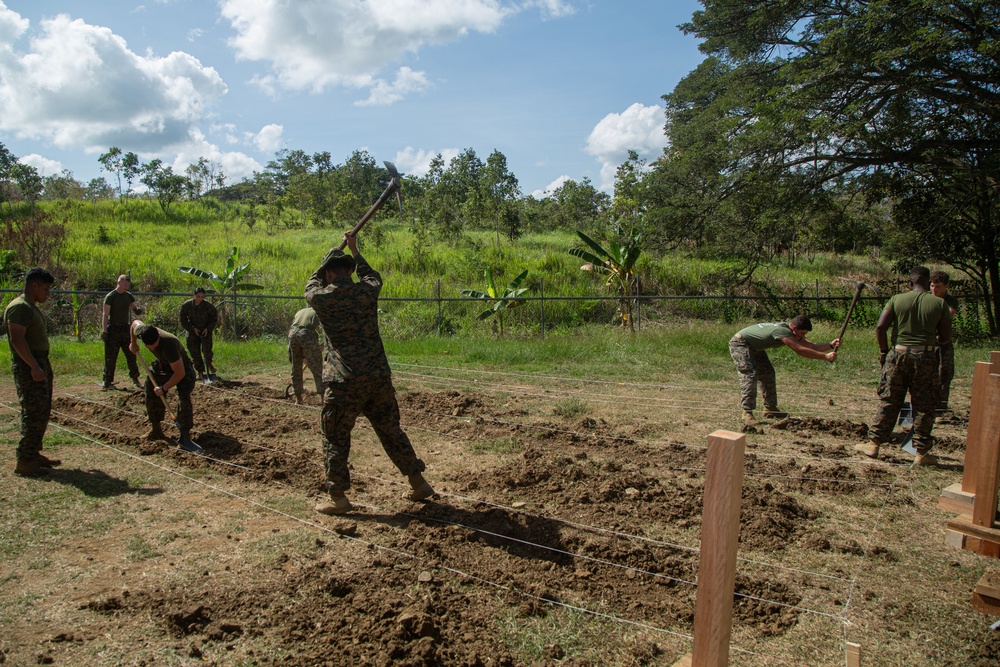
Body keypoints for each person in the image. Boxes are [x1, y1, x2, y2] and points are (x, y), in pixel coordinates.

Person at [306, 232, 434, 515]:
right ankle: (418, 482)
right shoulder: (366, 292)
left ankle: (337, 498)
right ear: (350, 271)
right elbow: (373, 277)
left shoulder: (322, 298)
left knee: (335, 438)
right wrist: (355, 250)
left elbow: (310, 285)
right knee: (391, 431)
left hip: (343, 382)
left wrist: (325, 260)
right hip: (377, 378)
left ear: (328, 273)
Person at [855, 266, 951, 466]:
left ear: (910, 283)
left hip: (898, 354)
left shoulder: (896, 300)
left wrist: (884, 351)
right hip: (925, 356)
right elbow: (945, 337)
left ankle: (874, 444)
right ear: (928, 283)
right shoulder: (939, 304)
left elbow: (881, 327)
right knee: (924, 405)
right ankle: (921, 453)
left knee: (890, 399)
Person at [729, 315, 839, 425]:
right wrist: (826, 357)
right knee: (750, 375)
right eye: (803, 333)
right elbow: (800, 350)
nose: (803, 336)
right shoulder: (782, 331)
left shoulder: (790, 331)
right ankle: (747, 412)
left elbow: (811, 346)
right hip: (740, 344)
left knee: (768, 373)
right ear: (795, 328)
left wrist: (830, 345)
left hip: (754, 347)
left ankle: (770, 409)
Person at [5, 268, 60, 477]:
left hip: (39, 361)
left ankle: (33, 453)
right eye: (45, 289)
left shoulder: (30, 307)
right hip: (30, 365)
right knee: (33, 411)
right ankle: (25, 460)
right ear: (34, 286)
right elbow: (17, 340)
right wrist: (33, 367)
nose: (47, 293)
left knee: (42, 409)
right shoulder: (19, 307)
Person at [129, 320, 197, 443]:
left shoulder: (168, 345)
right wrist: (133, 343)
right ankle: (156, 430)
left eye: (154, 345)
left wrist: (164, 388)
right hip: (163, 364)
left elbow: (179, 373)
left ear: (158, 336)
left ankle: (185, 435)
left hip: (182, 367)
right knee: (150, 387)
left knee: (184, 395)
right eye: (148, 346)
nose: (152, 348)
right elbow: (134, 323)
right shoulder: (143, 331)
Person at [101, 273, 142, 390]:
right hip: (113, 329)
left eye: (128, 285)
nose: (126, 287)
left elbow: (134, 308)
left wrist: (138, 310)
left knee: (131, 354)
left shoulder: (128, 296)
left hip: (125, 329)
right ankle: (107, 381)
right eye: (124, 285)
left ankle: (135, 378)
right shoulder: (111, 296)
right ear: (118, 283)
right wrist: (104, 331)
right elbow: (105, 314)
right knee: (110, 356)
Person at [930, 270, 959, 423]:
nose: (934, 289)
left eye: (938, 287)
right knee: (926, 375)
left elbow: (949, 315)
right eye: (932, 285)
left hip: (943, 343)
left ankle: (940, 410)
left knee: (945, 374)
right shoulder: (926, 298)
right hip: (927, 342)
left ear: (946, 287)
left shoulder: (950, 300)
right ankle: (926, 408)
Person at [288, 306, 326, 405]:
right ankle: (323, 398)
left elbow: (295, 327)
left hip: (292, 334)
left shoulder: (300, 311)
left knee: (296, 367)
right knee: (317, 367)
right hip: (307, 334)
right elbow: (325, 329)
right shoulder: (318, 310)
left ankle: (298, 398)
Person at [179, 287, 218, 383]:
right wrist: (192, 328)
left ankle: (208, 364)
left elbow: (214, 318)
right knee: (195, 353)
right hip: (193, 332)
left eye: (202, 296)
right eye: (198, 296)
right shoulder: (187, 306)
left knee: (207, 351)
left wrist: (207, 329)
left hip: (205, 332)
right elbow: (183, 319)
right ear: (194, 295)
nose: (199, 298)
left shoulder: (208, 306)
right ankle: (200, 371)